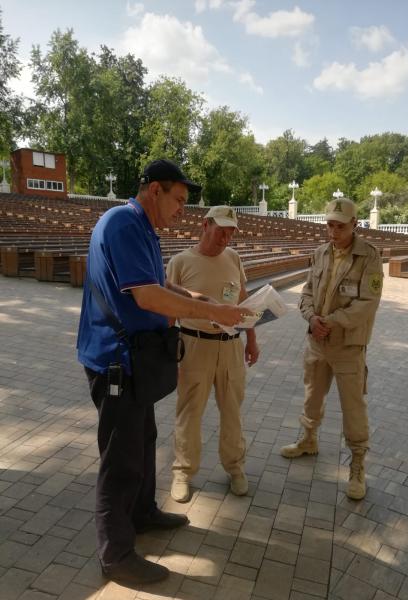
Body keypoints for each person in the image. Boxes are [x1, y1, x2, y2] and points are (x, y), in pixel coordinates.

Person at [77, 160, 252, 586]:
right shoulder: (123, 222)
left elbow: (158, 283)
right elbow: (148, 296)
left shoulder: (142, 228)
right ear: (155, 190)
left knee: (144, 440)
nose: (181, 210)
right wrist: (210, 310)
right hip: (116, 359)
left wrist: (187, 294)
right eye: (178, 199)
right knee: (120, 459)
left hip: (136, 359)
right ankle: (115, 555)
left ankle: (141, 513)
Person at [280, 197, 383, 500]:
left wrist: (332, 321)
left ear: (355, 224)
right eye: (330, 225)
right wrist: (312, 318)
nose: (333, 231)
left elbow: (368, 303)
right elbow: (307, 292)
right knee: (312, 395)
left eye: (340, 226)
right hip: (317, 341)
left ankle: (358, 464)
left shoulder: (369, 257)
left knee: (353, 407)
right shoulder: (320, 253)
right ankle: (309, 439)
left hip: (348, 346)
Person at [166, 206, 260, 503]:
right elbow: (169, 308)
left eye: (231, 231)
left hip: (231, 345)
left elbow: (242, 299)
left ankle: (235, 468)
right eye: (221, 229)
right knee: (189, 412)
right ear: (205, 225)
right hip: (194, 345)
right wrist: (168, 350)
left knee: (232, 411)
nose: (226, 237)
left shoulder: (233, 257)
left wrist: (252, 340)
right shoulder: (181, 261)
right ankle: (183, 472)